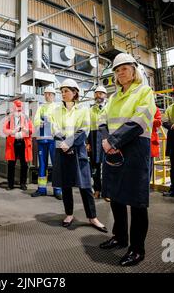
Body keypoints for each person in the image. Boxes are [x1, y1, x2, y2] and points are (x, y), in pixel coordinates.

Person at [98, 52, 156, 267]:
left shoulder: (144, 91)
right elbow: (102, 120)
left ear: (133, 70)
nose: (120, 73)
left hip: (135, 150)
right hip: (113, 149)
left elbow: (140, 120)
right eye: (117, 70)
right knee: (116, 196)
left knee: (137, 202)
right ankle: (120, 237)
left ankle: (137, 249)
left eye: (124, 68)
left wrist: (113, 141)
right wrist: (107, 141)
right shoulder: (112, 97)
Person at [51, 78, 107, 233]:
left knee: (85, 185)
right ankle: (68, 215)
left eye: (66, 91)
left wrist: (69, 143)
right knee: (66, 185)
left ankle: (92, 217)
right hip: (62, 150)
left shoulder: (83, 110)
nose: (63, 94)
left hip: (77, 151)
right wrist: (63, 143)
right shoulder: (56, 110)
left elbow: (84, 129)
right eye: (61, 91)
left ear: (75, 93)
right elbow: (54, 128)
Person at [31, 86, 62, 200]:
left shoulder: (58, 107)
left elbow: (59, 121)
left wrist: (50, 120)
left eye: (50, 94)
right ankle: (41, 189)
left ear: (54, 95)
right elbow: (36, 120)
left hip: (53, 140)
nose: (47, 95)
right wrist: (42, 121)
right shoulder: (41, 107)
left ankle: (58, 189)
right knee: (42, 165)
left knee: (56, 165)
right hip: (41, 139)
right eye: (46, 94)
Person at [3, 100, 34, 190]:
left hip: (23, 143)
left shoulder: (26, 118)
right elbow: (4, 130)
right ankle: (10, 184)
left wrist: (26, 130)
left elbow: (32, 130)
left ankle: (23, 183)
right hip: (13, 143)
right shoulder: (9, 118)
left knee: (24, 164)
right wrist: (12, 131)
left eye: (20, 109)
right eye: (17, 108)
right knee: (11, 164)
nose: (18, 110)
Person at [87, 85, 108, 199]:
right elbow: (88, 128)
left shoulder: (109, 108)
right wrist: (88, 143)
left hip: (106, 138)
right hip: (94, 138)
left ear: (105, 95)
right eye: (96, 93)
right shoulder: (91, 110)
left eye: (100, 93)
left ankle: (107, 192)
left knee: (107, 167)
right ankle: (97, 190)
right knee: (95, 167)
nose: (98, 95)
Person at [150, 108, 162, 180]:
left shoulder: (154, 109)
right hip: (137, 142)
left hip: (150, 141)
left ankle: (146, 188)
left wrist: (149, 119)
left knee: (149, 167)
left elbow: (159, 122)